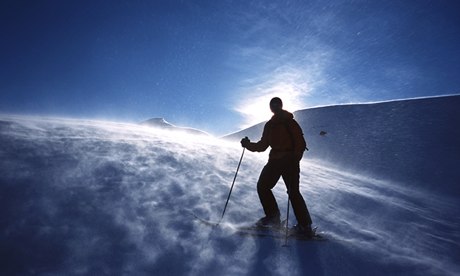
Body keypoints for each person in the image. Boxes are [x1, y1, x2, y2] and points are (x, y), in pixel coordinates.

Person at [240, 97, 314, 237]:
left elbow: (300, 143)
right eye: (272, 105)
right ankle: (274, 218)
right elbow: (262, 146)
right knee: (264, 186)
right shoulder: (270, 125)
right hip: (276, 161)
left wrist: (295, 158)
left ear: (280, 106)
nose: (274, 107)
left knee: (292, 192)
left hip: (288, 161)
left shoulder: (289, 122)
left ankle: (304, 225)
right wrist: (247, 145)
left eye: (276, 104)